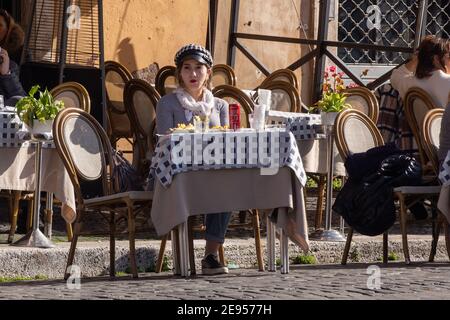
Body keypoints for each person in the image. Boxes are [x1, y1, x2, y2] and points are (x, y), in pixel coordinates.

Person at [156, 44, 231, 275]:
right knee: (215, 184)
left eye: (199, 68)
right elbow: (164, 142)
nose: (193, 74)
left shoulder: (220, 106)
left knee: (228, 187)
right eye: (187, 68)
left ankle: (210, 255)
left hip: (212, 172)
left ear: (208, 72)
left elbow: (227, 141)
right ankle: (181, 256)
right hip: (179, 175)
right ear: (179, 73)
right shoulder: (167, 104)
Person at [401, 35, 450, 107]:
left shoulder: (409, 82)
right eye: (449, 57)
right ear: (436, 59)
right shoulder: (447, 82)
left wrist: (416, 59)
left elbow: (396, 76)